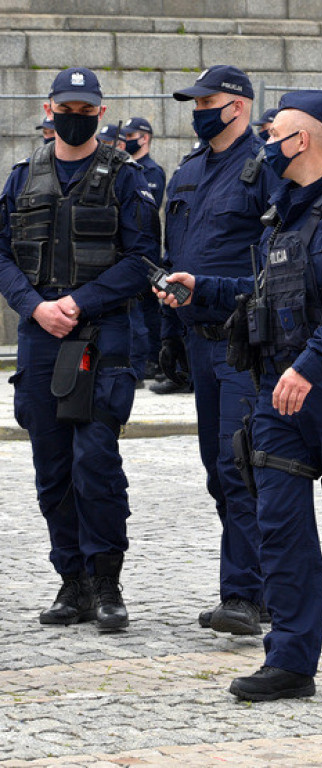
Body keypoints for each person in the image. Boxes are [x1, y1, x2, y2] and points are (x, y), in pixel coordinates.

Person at [157, 89, 322, 701]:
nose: (267, 145)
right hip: (278, 397)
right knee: (280, 527)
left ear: (306, 141)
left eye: (276, 135)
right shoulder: (282, 212)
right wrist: (204, 288)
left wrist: (310, 366)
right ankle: (292, 660)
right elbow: (267, 288)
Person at [0, 67, 160, 631]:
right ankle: (72, 583)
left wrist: (80, 303)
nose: (74, 116)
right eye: (65, 107)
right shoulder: (22, 177)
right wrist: (36, 306)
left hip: (101, 334)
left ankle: (107, 582)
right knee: (52, 466)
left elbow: (144, 259)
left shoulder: (126, 178)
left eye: (85, 108)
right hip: (40, 333)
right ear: (49, 109)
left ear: (101, 111)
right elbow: (1, 256)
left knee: (95, 461)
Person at [162, 64, 279, 634]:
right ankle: (256, 586)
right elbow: (173, 255)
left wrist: (202, 290)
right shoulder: (188, 170)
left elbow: (276, 270)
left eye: (205, 100)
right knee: (218, 469)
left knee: (241, 467)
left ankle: (246, 594)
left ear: (237, 106)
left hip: (244, 343)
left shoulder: (267, 169)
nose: (196, 109)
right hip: (196, 341)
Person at [121, 117, 167, 383]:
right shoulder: (129, 168)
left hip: (145, 252)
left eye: (132, 135)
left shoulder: (151, 171)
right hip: (132, 251)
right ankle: (149, 359)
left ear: (145, 137)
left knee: (145, 309)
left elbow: (144, 211)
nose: (127, 140)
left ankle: (150, 360)